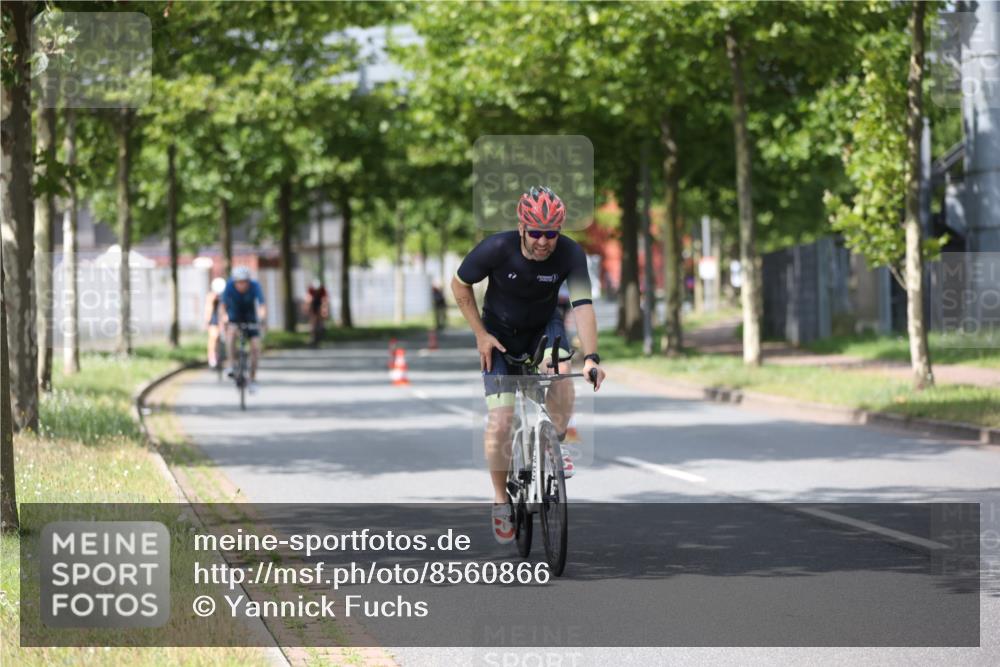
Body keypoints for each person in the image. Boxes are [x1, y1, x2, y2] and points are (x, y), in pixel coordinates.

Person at [451, 186, 606, 544]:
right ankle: (501, 501)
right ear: (522, 227)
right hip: (499, 336)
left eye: (550, 233)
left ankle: (556, 443)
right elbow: (460, 286)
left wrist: (592, 357)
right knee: (501, 421)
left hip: (542, 328)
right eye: (535, 232)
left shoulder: (569, 253)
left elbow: (582, 304)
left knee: (561, 369)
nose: (543, 241)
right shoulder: (496, 248)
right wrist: (480, 334)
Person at [222, 266, 267, 394]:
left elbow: (262, 305)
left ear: (248, 281)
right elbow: (223, 306)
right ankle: (232, 365)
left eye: (244, 282)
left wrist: (262, 319)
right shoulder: (229, 286)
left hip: (250, 317)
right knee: (230, 336)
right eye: (239, 282)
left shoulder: (255, 286)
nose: (242, 285)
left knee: (255, 348)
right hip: (234, 316)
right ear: (234, 281)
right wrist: (224, 318)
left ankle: (252, 379)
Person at [205, 277, 228, 368]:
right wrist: (207, 321)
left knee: (227, 336)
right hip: (214, 320)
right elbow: (208, 309)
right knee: (213, 337)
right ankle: (212, 357)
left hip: (223, 319)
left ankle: (227, 357)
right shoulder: (211, 296)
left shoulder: (225, 296)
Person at [306, 279, 328, 346]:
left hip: (320, 303)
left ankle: (321, 328)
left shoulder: (322, 290)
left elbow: (324, 300)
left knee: (320, 317)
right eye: (316, 290)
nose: (316, 291)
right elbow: (308, 299)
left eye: (317, 290)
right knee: (313, 320)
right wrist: (308, 309)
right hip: (313, 303)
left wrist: (324, 310)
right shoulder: (310, 289)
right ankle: (312, 334)